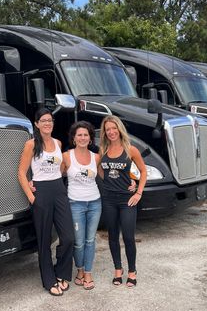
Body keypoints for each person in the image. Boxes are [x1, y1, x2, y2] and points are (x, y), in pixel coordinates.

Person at [18, 108, 74, 296]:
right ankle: (49, 280)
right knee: (43, 241)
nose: (47, 123)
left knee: (68, 237)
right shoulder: (31, 144)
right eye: (43, 120)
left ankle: (62, 272)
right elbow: (21, 173)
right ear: (37, 124)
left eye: (50, 120)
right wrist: (32, 197)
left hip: (59, 190)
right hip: (41, 192)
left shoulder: (58, 143)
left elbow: (62, 170)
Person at [98, 115, 147, 288]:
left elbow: (143, 171)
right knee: (112, 237)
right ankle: (118, 270)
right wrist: (113, 182)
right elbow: (101, 172)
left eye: (113, 128)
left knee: (128, 236)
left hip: (127, 201)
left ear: (119, 129)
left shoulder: (131, 150)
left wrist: (138, 192)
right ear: (104, 132)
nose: (111, 132)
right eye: (107, 129)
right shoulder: (102, 151)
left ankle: (132, 271)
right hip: (109, 200)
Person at [62, 121, 102, 290]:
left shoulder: (96, 157)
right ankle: (79, 269)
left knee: (90, 240)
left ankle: (88, 273)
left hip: (95, 203)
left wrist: (130, 182)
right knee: (78, 242)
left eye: (86, 135)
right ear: (73, 138)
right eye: (79, 135)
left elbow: (106, 177)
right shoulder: (66, 156)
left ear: (90, 138)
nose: (83, 138)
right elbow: (55, 178)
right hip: (75, 204)